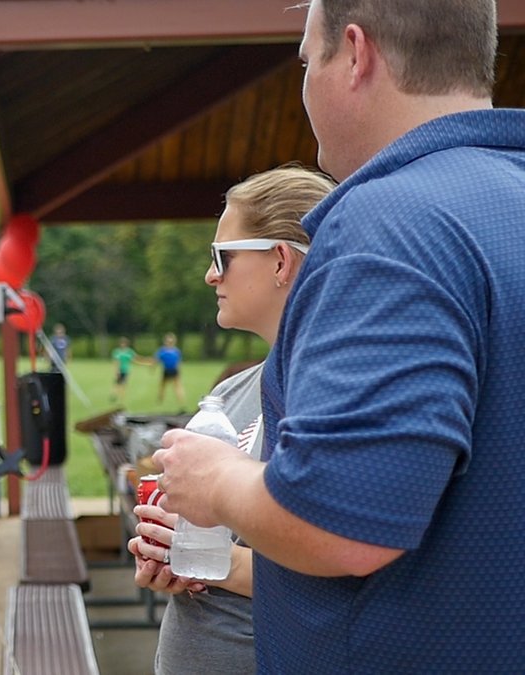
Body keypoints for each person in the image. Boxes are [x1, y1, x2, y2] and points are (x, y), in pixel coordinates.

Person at [153, 1, 525, 670]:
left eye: (306, 60)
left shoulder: (390, 220)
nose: (304, 86)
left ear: (355, 54)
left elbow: (344, 521)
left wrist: (216, 480)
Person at [126, 165, 334, 675]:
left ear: (280, 259)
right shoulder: (227, 395)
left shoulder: (337, 395)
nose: (210, 275)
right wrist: (165, 550)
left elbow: (345, 567)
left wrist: (210, 562)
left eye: (223, 256)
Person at [109, 336, 153, 404]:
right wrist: (116, 371)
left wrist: (146, 360)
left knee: (123, 386)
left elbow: (137, 358)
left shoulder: (129, 351)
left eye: (124, 343)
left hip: (126, 371)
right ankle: (115, 395)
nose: (123, 344)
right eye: (121, 343)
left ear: (126, 344)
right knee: (117, 385)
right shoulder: (117, 351)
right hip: (119, 371)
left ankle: (121, 401)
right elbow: (116, 362)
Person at [154, 332, 185, 408]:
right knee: (172, 386)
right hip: (171, 370)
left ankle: (161, 399)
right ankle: (179, 399)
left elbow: (157, 360)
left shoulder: (163, 351)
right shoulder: (175, 351)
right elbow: (178, 362)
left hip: (169, 370)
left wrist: (153, 367)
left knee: (167, 386)